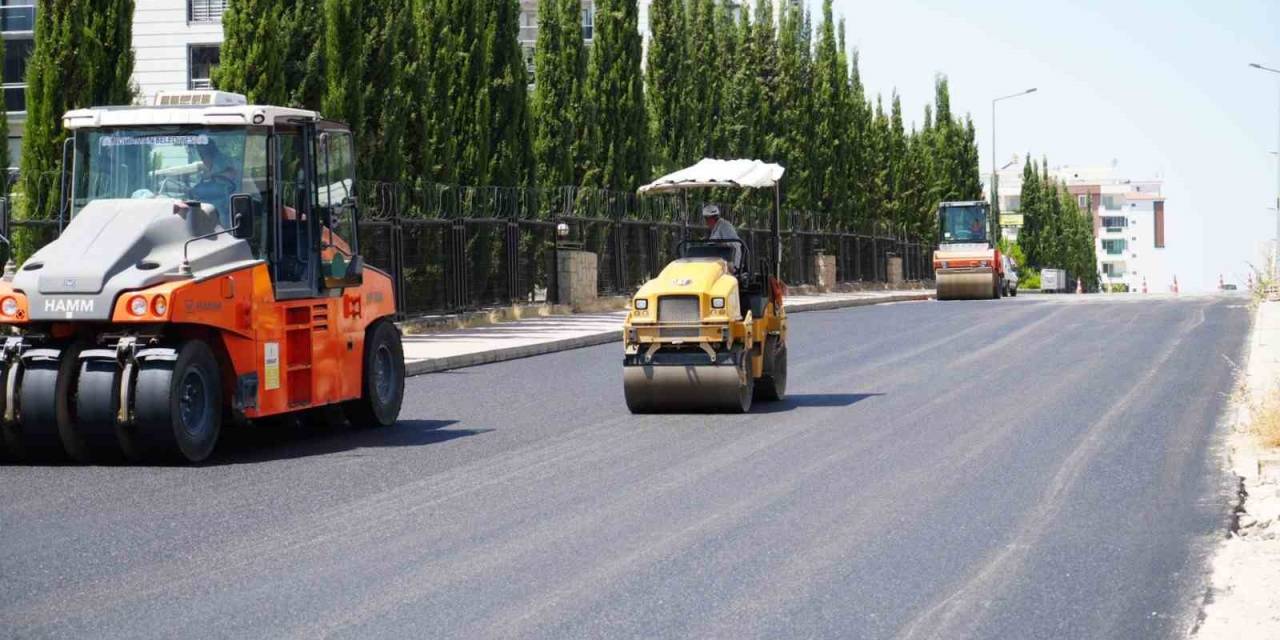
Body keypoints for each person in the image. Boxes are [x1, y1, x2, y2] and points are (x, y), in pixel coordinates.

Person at [703, 203, 742, 270]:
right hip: (718, 261)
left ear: (711, 219)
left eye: (706, 219)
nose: (706, 222)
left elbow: (736, 244)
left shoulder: (725, 226)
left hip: (729, 262)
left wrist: (720, 244)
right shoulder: (715, 228)